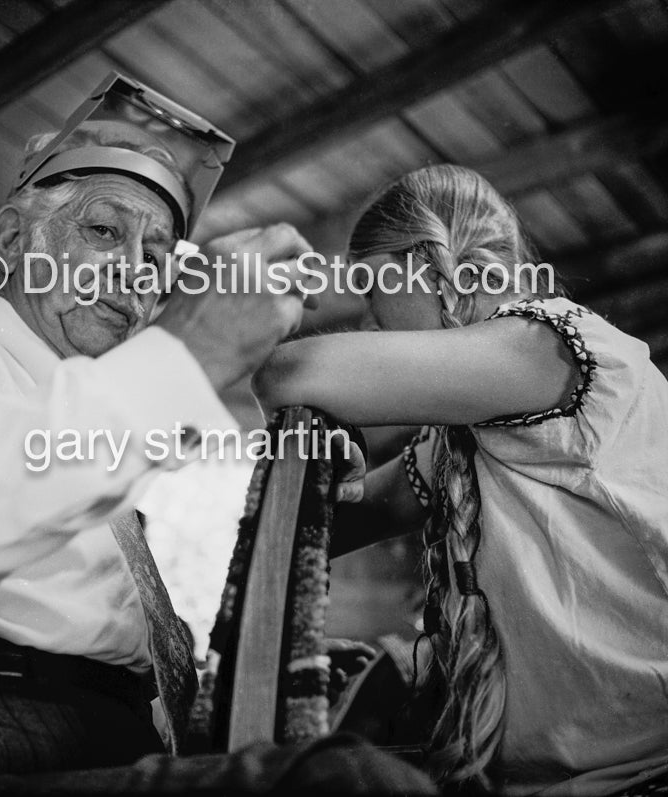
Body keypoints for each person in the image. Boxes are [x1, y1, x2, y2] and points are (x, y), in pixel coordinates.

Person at [0, 101, 319, 788]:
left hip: (117, 739)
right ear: (15, 240)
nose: (135, 270)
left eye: (156, 256)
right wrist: (191, 352)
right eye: (105, 229)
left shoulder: (101, 434)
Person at [253, 164, 668, 795]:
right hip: (567, 776)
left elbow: (292, 373)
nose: (370, 320)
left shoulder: (552, 345)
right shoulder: (460, 439)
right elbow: (343, 519)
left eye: (371, 288)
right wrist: (336, 460)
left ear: (425, 260)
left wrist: (259, 310)